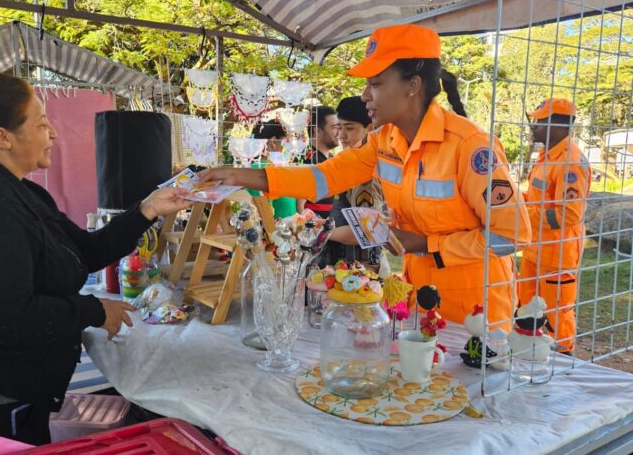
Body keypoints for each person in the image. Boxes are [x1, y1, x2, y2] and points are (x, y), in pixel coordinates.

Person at [0, 72, 191, 453]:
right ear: (2, 136)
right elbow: (5, 317)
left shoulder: (18, 192)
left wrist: (147, 209)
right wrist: (91, 310)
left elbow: (87, 253)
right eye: (41, 124)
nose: (53, 134)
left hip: (0, 394)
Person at [201, 24, 530, 328]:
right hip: (418, 295)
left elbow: (511, 236)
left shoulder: (469, 146)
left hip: (478, 309)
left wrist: (430, 244)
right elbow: (323, 178)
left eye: (375, 84)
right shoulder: (385, 140)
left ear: (412, 86)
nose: (364, 96)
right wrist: (238, 175)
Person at [519, 98, 591, 354]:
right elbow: (538, 198)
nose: (533, 126)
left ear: (560, 127)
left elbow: (568, 214)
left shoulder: (569, 162)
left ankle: (562, 357)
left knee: (556, 315)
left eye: (540, 121)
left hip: (557, 256)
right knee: (526, 309)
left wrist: (525, 216)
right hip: (534, 250)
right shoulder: (546, 156)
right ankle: (528, 351)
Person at [324, 96, 387, 270]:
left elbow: (367, 232)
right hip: (349, 266)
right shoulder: (352, 165)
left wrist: (321, 232)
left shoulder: (365, 173)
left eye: (349, 128)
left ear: (370, 128)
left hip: (363, 272)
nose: (342, 136)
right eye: (339, 128)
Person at [246, 120, 297, 219]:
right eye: (286, 142)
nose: (289, 147)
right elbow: (261, 213)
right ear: (274, 142)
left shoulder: (274, 167)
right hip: (272, 232)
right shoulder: (261, 169)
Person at [298, 105, 338, 217]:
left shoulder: (332, 158)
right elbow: (299, 205)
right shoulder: (306, 159)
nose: (339, 131)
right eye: (334, 127)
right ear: (318, 131)